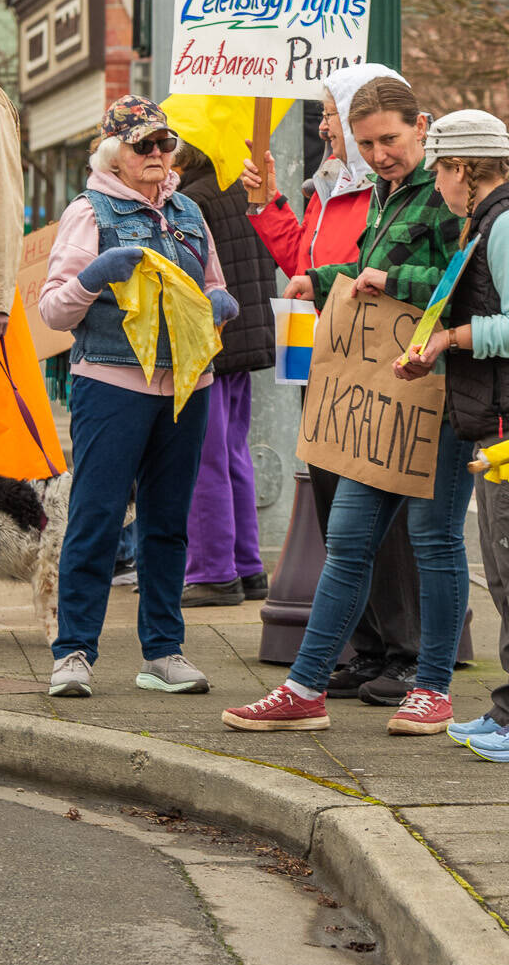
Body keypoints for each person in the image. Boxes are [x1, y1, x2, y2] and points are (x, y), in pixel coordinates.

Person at [221, 76, 474, 736]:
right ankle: (304, 687)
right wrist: (322, 279)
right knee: (349, 541)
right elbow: (365, 270)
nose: (379, 154)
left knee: (434, 541)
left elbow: (469, 280)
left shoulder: (447, 190)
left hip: (438, 394)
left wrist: (389, 279)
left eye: (389, 139)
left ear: (422, 126)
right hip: (385, 391)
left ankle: (432, 687)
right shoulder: (388, 192)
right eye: (366, 144)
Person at [35, 96, 239, 700]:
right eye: (141, 144)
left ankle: (163, 652)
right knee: (95, 518)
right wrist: (95, 274)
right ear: (112, 154)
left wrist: (220, 304)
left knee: (168, 523)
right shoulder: (88, 212)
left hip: (188, 386)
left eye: (163, 143)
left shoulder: (188, 211)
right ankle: (73, 651)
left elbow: (214, 285)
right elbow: (52, 310)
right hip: (111, 384)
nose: (156, 153)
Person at [242, 62, 424, 702]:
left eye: (330, 114)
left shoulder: (381, 192)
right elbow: (307, 264)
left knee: (377, 517)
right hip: (328, 360)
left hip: (376, 367)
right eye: (326, 116)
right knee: (336, 513)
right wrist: (269, 206)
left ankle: (405, 651)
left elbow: (361, 273)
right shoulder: (333, 186)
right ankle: (370, 648)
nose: (324, 127)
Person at [395, 111, 509, 763]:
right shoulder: (498, 217)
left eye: (439, 171)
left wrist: (451, 338)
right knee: (505, 571)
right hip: (502, 419)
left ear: (462, 169)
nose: (437, 185)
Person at [175, 139, 277, 607]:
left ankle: (213, 571)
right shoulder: (239, 190)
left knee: (204, 458)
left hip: (210, 344)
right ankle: (247, 565)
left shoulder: (193, 200)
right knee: (233, 454)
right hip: (245, 339)